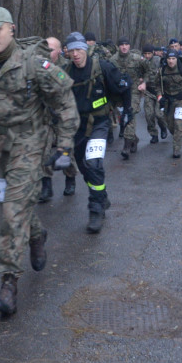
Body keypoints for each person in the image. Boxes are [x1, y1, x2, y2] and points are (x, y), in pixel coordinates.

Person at [0, 7, 78, 315]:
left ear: (12, 29)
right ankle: (37, 233)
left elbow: (64, 101)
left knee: (11, 213)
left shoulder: (34, 64)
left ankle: (8, 284)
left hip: (30, 143)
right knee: (14, 204)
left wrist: (64, 146)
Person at [63, 32, 131, 233]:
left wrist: (128, 111)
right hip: (77, 127)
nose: (75, 54)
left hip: (100, 124)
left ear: (85, 49)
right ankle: (102, 196)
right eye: (71, 50)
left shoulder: (103, 67)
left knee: (93, 163)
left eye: (78, 49)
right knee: (84, 168)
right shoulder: (64, 72)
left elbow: (124, 85)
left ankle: (95, 210)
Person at [37, 36, 79, 201]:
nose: (47, 52)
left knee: (67, 151)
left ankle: (70, 178)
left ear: (61, 51)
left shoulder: (67, 67)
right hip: (45, 117)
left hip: (63, 118)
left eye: (51, 49)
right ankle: (46, 186)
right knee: (43, 151)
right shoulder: (39, 65)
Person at [110, 36, 145, 158]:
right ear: (118, 46)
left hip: (134, 91)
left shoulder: (137, 59)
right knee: (123, 118)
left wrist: (144, 82)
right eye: (121, 45)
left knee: (130, 114)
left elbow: (149, 70)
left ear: (129, 46)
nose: (124, 47)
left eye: (126, 44)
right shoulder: (113, 60)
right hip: (120, 93)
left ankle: (126, 146)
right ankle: (133, 139)